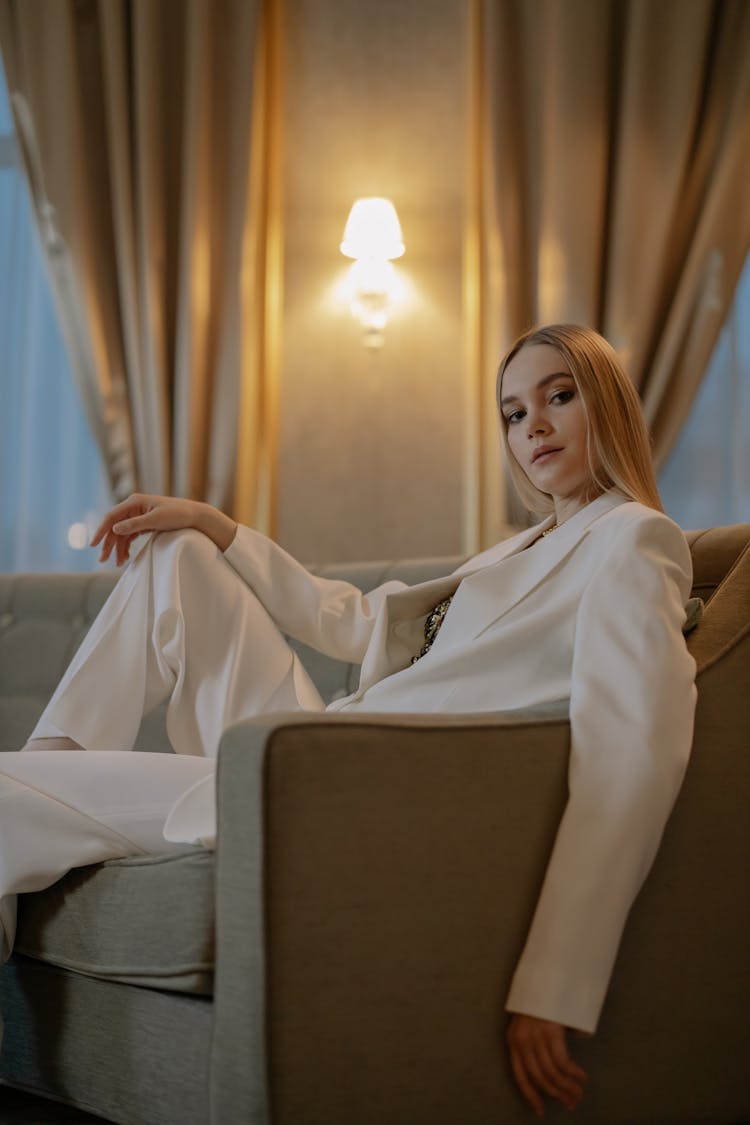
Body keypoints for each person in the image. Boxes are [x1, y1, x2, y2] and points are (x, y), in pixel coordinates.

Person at [0, 324, 697, 1118]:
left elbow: (631, 755)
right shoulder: (523, 548)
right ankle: (53, 761)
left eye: (558, 397)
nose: (532, 425)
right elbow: (364, 624)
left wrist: (557, 984)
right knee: (179, 553)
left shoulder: (635, 542)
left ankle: (38, 786)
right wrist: (219, 525)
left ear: (606, 403)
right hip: (319, 742)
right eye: (512, 412)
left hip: (342, 789)